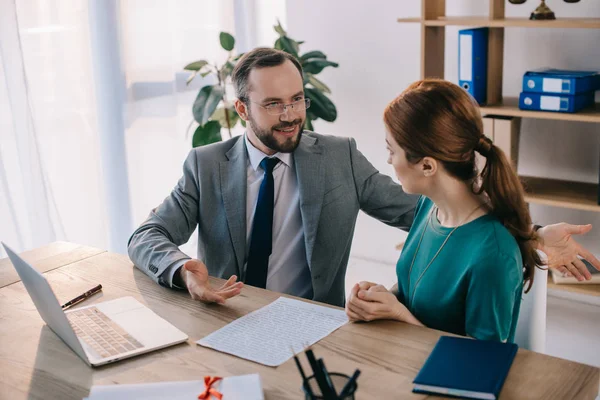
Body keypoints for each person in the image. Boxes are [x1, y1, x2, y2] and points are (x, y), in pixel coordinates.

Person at [127, 47, 599, 309]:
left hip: (313, 323)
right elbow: (146, 235)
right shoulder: (206, 164)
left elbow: (430, 212)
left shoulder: (338, 157)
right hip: (223, 314)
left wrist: (529, 234)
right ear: (242, 109)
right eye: (274, 104)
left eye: (297, 98)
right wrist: (184, 269)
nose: (292, 115)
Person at [345, 79, 562, 342]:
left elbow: (481, 361)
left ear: (427, 166)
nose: (389, 160)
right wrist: (382, 300)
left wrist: (401, 316)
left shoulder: (493, 253)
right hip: (404, 361)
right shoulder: (429, 207)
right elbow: (414, 294)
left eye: (392, 151)